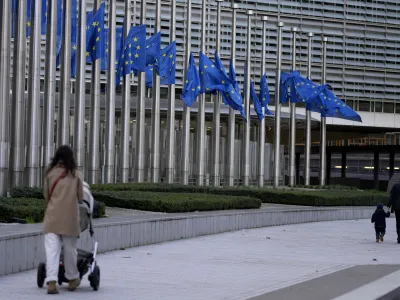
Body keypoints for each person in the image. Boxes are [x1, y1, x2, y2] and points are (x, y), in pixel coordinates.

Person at [43, 145, 84, 294]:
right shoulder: (76, 175)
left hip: (52, 218)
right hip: (70, 220)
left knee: (52, 252)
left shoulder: (50, 173)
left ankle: (52, 282)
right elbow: (80, 197)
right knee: (70, 251)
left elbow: (46, 196)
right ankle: (72, 279)